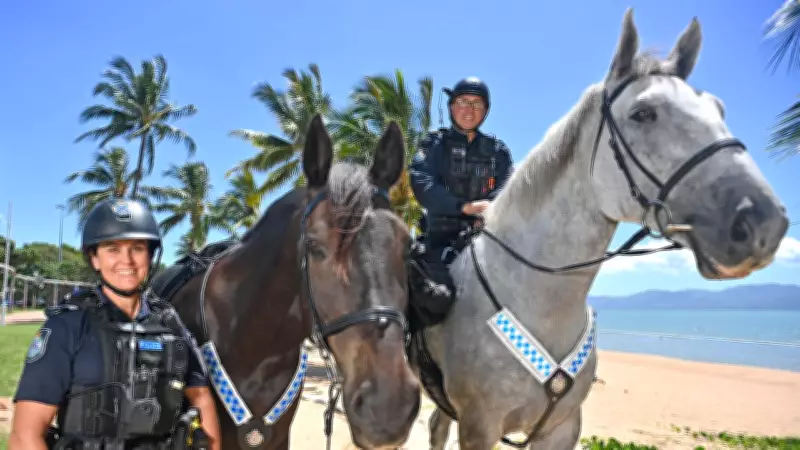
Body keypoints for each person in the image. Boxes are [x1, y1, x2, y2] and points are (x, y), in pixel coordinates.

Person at [9, 199, 221, 450]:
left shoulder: (171, 325)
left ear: (151, 256)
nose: (127, 261)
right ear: (94, 259)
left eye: (137, 248)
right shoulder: (66, 327)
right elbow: (25, 436)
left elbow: (202, 400)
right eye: (112, 249)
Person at [408, 76, 514, 322]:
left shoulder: (498, 151)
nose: (470, 109)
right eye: (463, 102)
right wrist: (463, 207)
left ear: (486, 110)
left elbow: (508, 188)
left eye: (477, 104)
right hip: (439, 240)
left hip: (488, 239)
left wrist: (488, 212)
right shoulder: (433, 144)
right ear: (452, 106)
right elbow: (422, 183)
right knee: (435, 298)